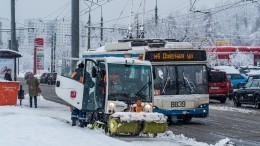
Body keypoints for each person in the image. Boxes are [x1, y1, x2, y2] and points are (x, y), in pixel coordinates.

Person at [70, 61, 95, 127]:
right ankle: (81, 121)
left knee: (75, 106)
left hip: (75, 92)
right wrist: (88, 85)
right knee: (83, 107)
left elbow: (70, 81)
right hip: (84, 93)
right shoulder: (87, 74)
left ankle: (74, 120)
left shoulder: (74, 73)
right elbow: (91, 84)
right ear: (84, 67)